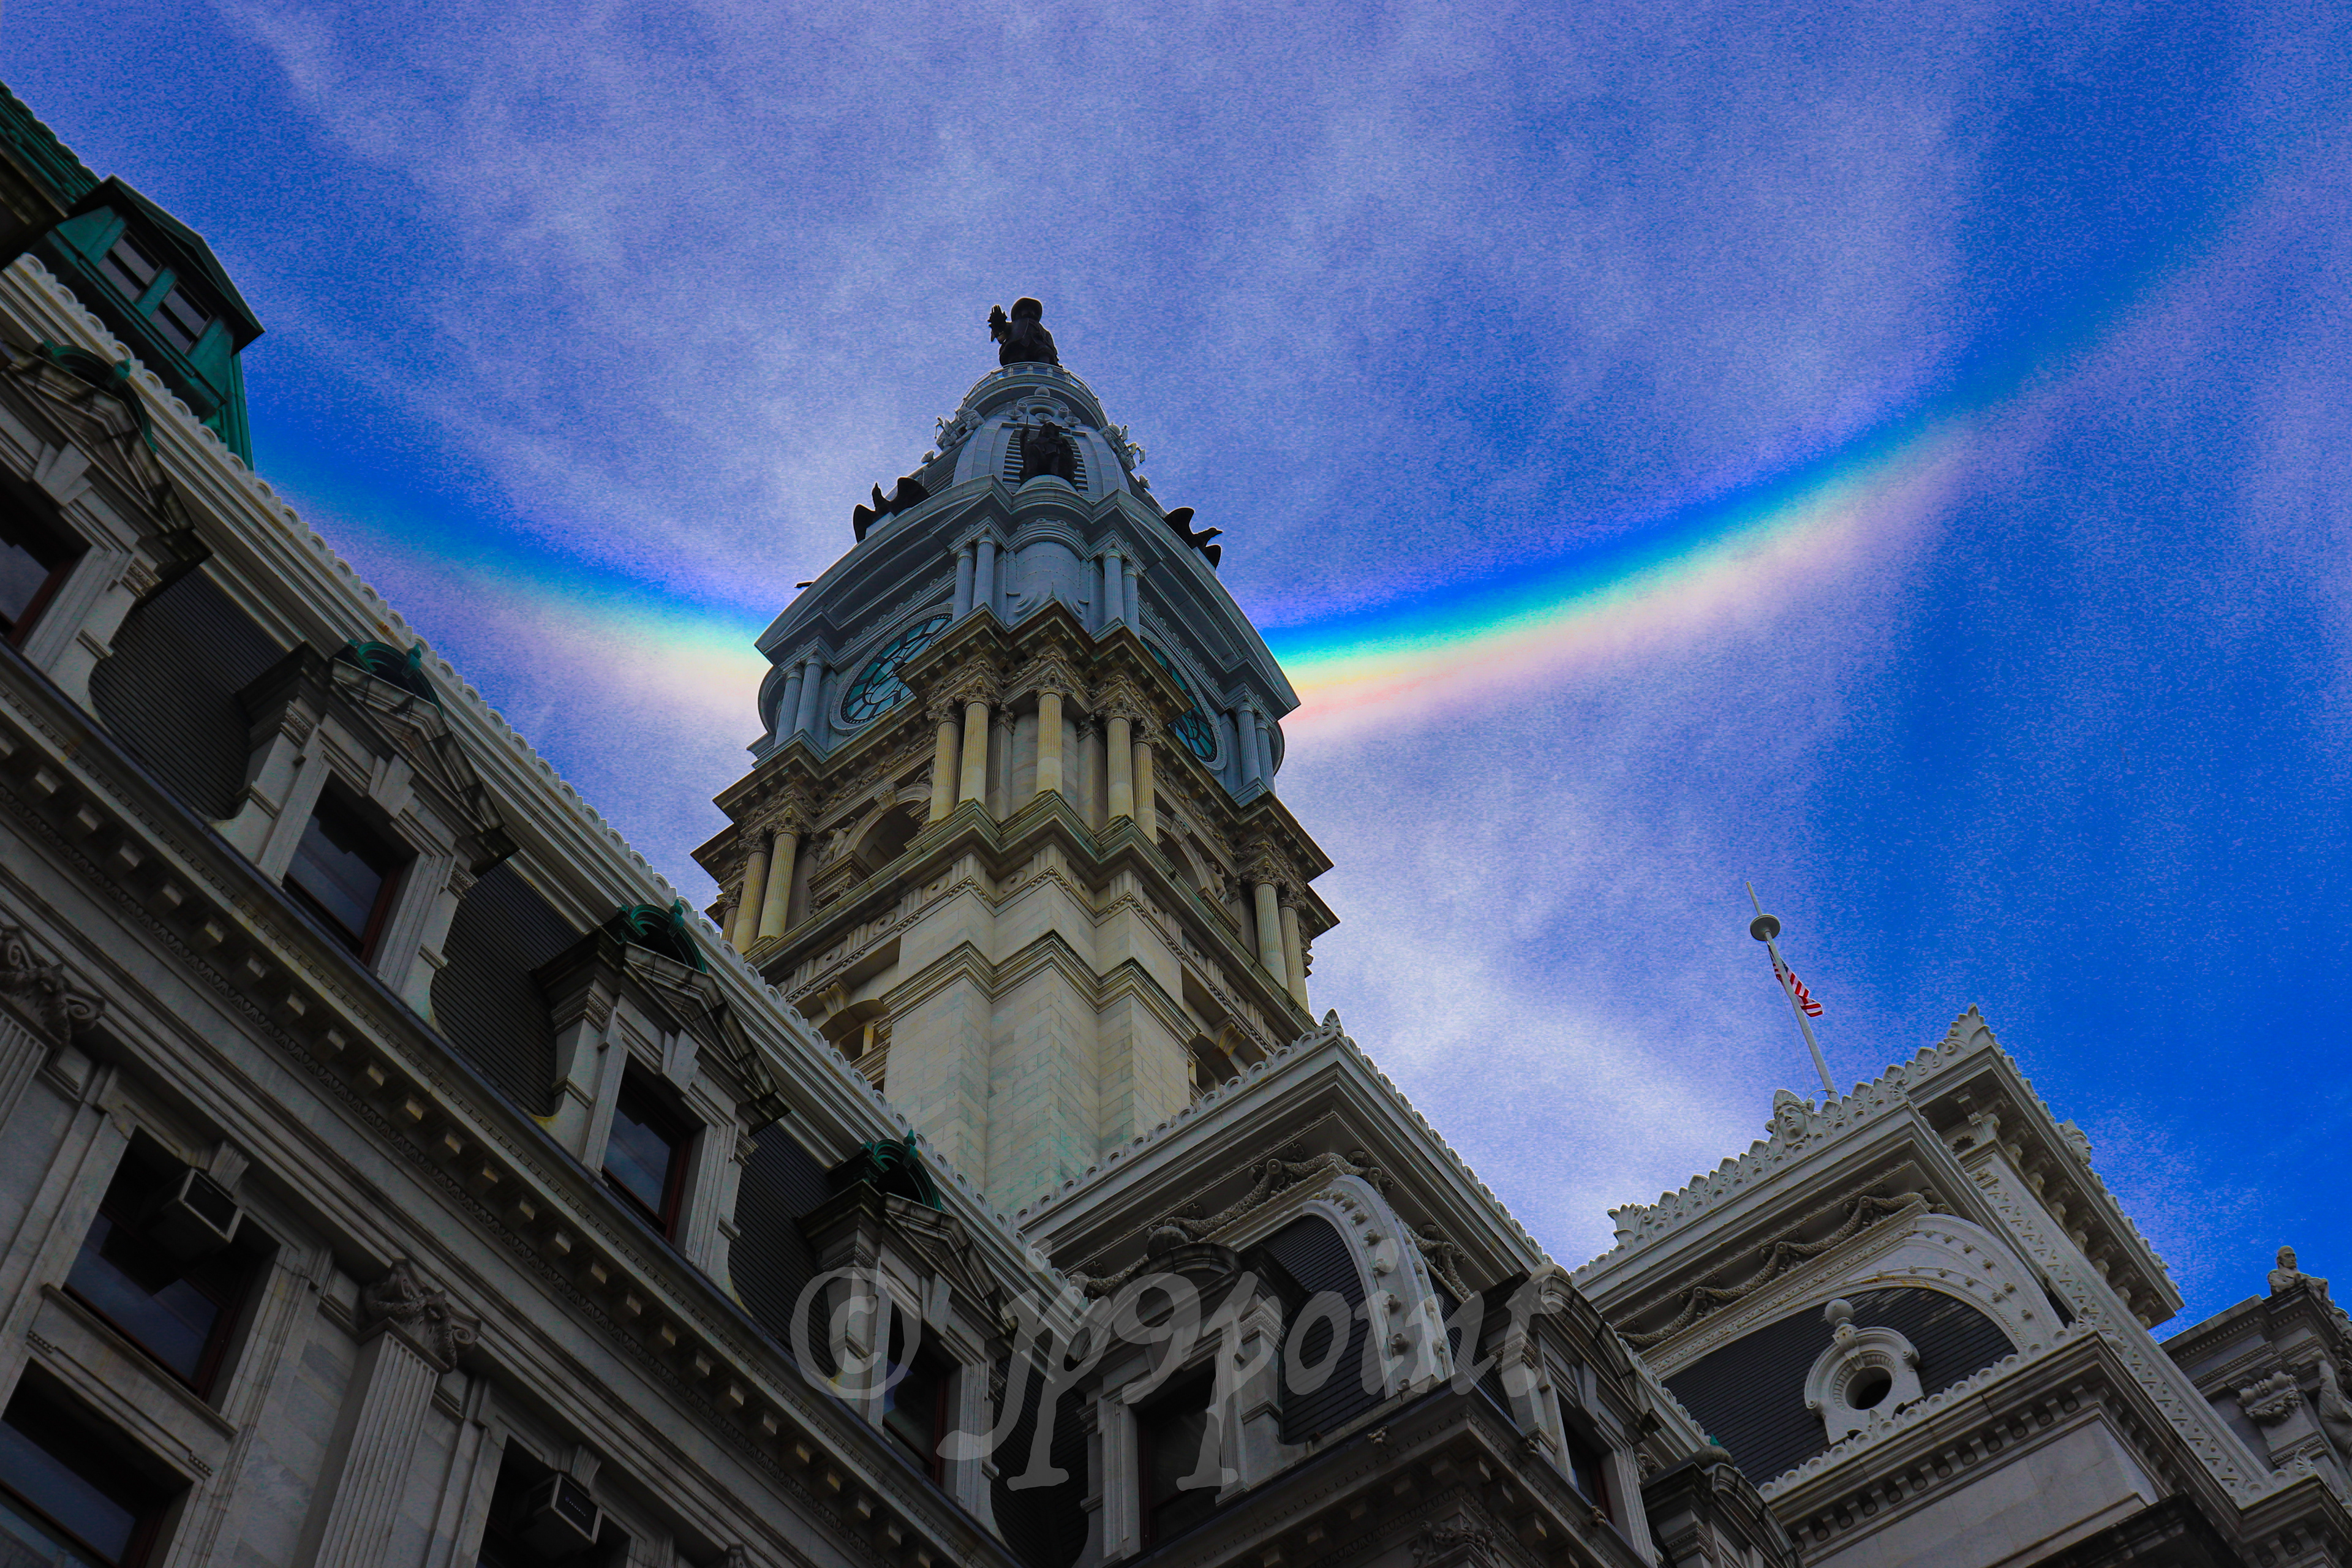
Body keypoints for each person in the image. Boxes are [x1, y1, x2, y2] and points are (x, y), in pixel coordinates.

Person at [989, 297, 1058, 366]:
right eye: (1027, 309)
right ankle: (1016, 372)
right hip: (1018, 344)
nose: (1030, 311)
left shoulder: (1043, 330)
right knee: (1017, 357)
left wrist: (1053, 354)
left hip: (1038, 345)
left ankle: (1043, 370)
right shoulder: (1015, 325)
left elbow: (1050, 343)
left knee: (1045, 352)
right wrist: (998, 323)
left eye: (1032, 310)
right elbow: (1002, 332)